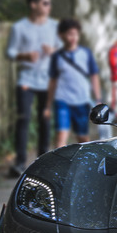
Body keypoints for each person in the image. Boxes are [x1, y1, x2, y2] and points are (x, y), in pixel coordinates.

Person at [6, 0, 61, 177]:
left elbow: (64, 50)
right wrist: (25, 55)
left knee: (45, 119)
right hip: (26, 80)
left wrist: (52, 51)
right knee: (23, 119)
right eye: (45, 3)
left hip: (47, 80)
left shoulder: (54, 26)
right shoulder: (19, 27)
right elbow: (11, 52)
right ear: (33, 5)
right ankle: (20, 162)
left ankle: (42, 159)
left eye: (49, 3)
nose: (49, 7)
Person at [45, 18, 101, 148]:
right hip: (62, 100)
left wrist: (98, 99)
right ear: (61, 35)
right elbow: (53, 81)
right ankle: (58, 167)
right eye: (70, 34)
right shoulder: (57, 57)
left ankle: (87, 164)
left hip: (81, 101)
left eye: (76, 34)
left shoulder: (86, 53)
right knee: (60, 136)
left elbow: (94, 76)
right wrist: (47, 105)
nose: (73, 37)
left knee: (83, 138)